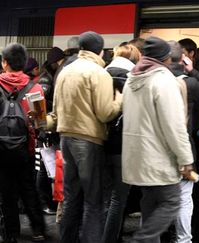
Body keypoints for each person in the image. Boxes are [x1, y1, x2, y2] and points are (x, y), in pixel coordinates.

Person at [50, 31, 123, 243]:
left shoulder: (65, 71)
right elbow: (105, 112)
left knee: (71, 197)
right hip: (88, 141)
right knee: (93, 200)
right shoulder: (99, 73)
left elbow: (56, 111)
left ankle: (68, 239)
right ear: (100, 50)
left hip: (66, 138)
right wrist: (120, 100)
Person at [122, 36, 194, 243]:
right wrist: (185, 159)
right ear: (166, 58)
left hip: (137, 158)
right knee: (172, 201)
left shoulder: (132, 79)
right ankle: (143, 238)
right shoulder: (164, 80)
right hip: (158, 158)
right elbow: (174, 126)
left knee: (150, 204)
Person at [167, 40, 199, 243]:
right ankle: (183, 239)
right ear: (183, 58)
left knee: (157, 198)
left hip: (158, 151)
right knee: (185, 197)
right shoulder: (188, 82)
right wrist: (193, 70)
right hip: (184, 151)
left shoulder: (151, 80)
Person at [0, 43, 47, 243]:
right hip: (25, 149)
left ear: (5, 63)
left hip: (0, 150)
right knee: (29, 189)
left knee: (6, 191)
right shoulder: (35, 87)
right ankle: (38, 229)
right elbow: (40, 123)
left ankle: (11, 232)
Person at [102, 43, 141, 243]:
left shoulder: (101, 74)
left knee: (104, 197)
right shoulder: (134, 78)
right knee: (119, 198)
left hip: (100, 142)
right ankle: (110, 238)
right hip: (124, 145)